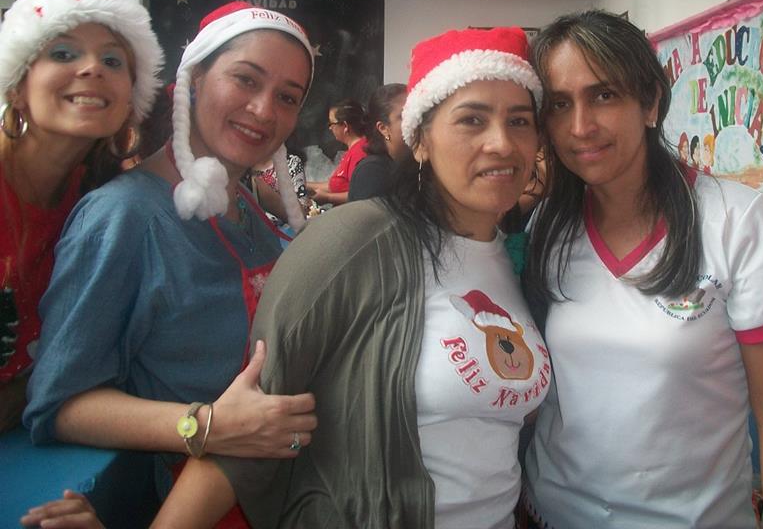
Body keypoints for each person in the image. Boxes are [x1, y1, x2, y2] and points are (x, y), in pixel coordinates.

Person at [150, 26, 550, 529]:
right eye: (472, 119)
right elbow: (251, 424)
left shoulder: (519, 258)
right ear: (420, 141)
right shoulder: (353, 242)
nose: (502, 143)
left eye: (519, 121)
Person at [23, 2, 319, 504]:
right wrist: (207, 425)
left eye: (287, 97)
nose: (264, 110)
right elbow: (59, 405)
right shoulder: (122, 217)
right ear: (195, 78)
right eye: (245, 80)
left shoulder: (245, 206)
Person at [522, 10, 763, 529]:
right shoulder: (549, 225)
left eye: (604, 95)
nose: (580, 126)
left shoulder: (735, 219)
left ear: (650, 102)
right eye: (560, 104)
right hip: (554, 512)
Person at [0, 0, 164, 433]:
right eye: (63, 53)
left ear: (129, 100)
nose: (93, 69)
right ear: (17, 87)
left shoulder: (107, 207)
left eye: (113, 60)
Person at [347, 83, 408, 201]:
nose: (413, 120)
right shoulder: (372, 172)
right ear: (383, 128)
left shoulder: (413, 165)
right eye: (403, 116)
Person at [306, 98, 367, 205]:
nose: (330, 128)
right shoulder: (352, 150)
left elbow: (360, 195)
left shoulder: (360, 152)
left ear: (345, 126)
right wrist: (303, 185)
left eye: (331, 123)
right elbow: (336, 186)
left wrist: (328, 198)